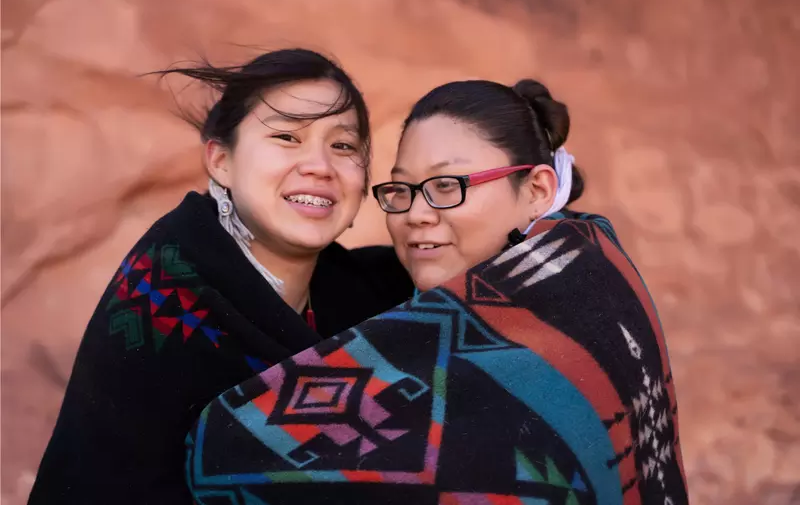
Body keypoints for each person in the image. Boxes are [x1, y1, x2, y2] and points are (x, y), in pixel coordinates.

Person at [185, 79, 689, 504]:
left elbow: (236, 455)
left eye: (447, 185)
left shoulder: (588, 303)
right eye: (401, 190)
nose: (417, 214)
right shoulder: (402, 299)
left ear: (535, 191)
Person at [28, 49, 413, 505]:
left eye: (344, 146)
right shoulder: (166, 290)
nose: (320, 166)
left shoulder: (368, 297)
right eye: (287, 136)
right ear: (220, 161)